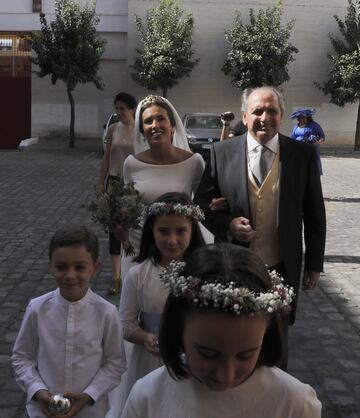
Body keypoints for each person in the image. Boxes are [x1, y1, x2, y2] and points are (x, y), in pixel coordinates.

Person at [194, 87, 326, 367]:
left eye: (272, 111)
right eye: (257, 111)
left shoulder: (301, 155)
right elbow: (201, 205)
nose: (264, 117)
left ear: (281, 116)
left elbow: (315, 213)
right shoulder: (221, 152)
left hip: (280, 265)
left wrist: (314, 263)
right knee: (233, 339)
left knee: (276, 344)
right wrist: (228, 223)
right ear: (244, 115)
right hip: (233, 266)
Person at [121, 243, 322, 418]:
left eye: (245, 355)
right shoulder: (148, 397)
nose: (226, 375)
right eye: (208, 354)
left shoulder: (295, 404)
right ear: (178, 330)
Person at [11, 224, 126, 418]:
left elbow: (115, 362)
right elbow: (22, 356)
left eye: (80, 267)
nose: (70, 275)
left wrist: (90, 394)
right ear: (50, 266)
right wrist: (37, 390)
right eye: (61, 267)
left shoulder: (106, 313)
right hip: (44, 411)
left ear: (95, 268)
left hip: (91, 411)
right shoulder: (37, 309)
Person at [119, 192, 205, 401]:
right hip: (150, 361)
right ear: (152, 230)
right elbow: (125, 324)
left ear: (192, 231)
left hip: (192, 360)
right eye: (164, 231)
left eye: (181, 231)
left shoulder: (203, 273)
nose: (172, 240)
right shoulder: (138, 275)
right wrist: (146, 337)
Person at [118, 94, 211, 278]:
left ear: (173, 126)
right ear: (142, 130)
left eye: (161, 118)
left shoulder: (193, 162)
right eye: (148, 121)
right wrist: (120, 224)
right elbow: (127, 206)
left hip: (177, 248)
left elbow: (203, 206)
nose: (155, 125)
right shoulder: (131, 164)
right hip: (139, 247)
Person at [98, 92, 138, 295]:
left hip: (134, 185)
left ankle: (131, 271)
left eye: (122, 108)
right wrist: (101, 183)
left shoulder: (141, 131)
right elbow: (106, 158)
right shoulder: (113, 129)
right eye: (117, 108)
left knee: (131, 230)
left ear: (132, 109)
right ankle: (116, 277)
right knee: (115, 231)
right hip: (114, 183)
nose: (119, 112)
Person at [290, 107, 325, 175]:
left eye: (304, 117)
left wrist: (318, 142)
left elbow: (322, 136)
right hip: (299, 149)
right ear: (298, 118)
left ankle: (313, 178)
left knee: (311, 166)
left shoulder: (314, 125)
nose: (302, 119)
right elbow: (292, 137)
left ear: (308, 117)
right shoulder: (296, 127)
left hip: (311, 148)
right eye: (300, 117)